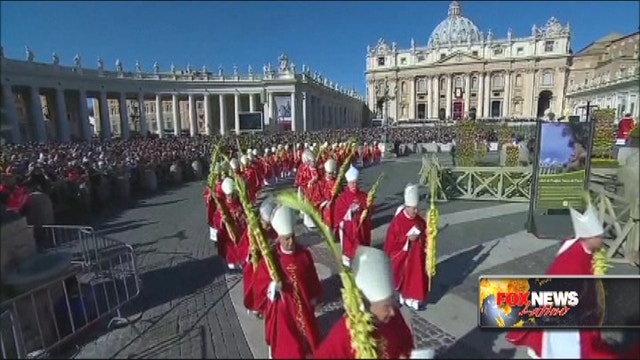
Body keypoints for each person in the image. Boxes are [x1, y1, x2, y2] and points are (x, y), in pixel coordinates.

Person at [507, 204, 627, 359]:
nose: (602, 240)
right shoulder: (572, 263)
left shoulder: (583, 249)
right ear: (589, 238)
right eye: (599, 236)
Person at [313, 246, 421, 359]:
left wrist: (405, 355)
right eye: (386, 306)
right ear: (367, 306)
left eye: (393, 302)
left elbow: (406, 342)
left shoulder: (394, 316)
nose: (393, 312)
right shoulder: (343, 335)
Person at [253, 205, 323, 358]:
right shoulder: (271, 258)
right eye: (286, 238)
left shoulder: (304, 254)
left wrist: (314, 297)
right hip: (282, 311)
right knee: (289, 347)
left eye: (292, 236)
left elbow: (312, 276)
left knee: (307, 342)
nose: (291, 241)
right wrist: (272, 286)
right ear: (278, 237)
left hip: (302, 306)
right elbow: (260, 284)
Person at [383, 183, 428, 310]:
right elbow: (392, 241)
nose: (416, 211)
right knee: (406, 278)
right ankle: (405, 296)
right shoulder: (398, 221)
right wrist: (407, 239)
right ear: (406, 207)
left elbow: (423, 228)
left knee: (416, 278)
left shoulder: (417, 219)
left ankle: (413, 298)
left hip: (416, 256)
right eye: (413, 209)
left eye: (416, 208)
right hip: (404, 257)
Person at [242, 198, 278, 318]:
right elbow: (249, 245)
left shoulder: (274, 227)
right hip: (256, 261)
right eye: (266, 224)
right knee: (256, 284)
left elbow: (276, 238)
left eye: (270, 225)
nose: (267, 227)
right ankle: (256, 306)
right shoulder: (254, 229)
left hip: (270, 260)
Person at [333, 166, 372, 267]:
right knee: (349, 257)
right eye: (351, 183)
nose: (354, 185)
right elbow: (338, 216)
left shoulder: (364, 195)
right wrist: (350, 211)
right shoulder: (342, 198)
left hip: (361, 229)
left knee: (362, 255)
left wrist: (368, 209)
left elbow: (370, 210)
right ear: (348, 183)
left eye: (355, 182)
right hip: (348, 231)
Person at [213, 177, 247, 271]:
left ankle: (242, 260)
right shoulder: (222, 207)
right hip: (229, 233)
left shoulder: (240, 203)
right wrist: (223, 221)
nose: (231, 198)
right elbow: (216, 218)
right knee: (231, 248)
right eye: (229, 196)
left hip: (241, 230)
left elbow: (244, 213)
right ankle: (233, 262)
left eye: (232, 195)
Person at [319, 159, 338, 230]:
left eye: (332, 173)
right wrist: (325, 201)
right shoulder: (322, 182)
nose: (331, 175)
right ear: (326, 173)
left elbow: (340, 192)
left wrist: (336, 194)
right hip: (324, 202)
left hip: (334, 202)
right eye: (329, 173)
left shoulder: (336, 181)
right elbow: (319, 193)